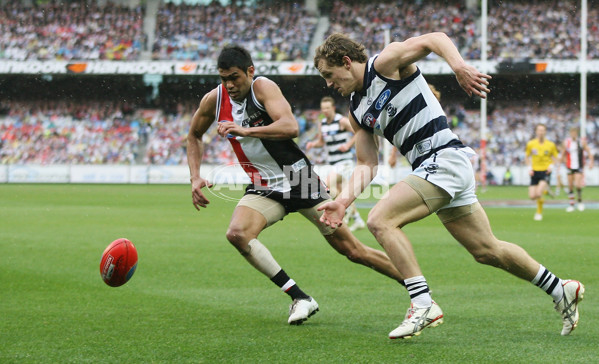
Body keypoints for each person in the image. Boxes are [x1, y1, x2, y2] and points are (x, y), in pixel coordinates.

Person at [313, 32, 584, 339]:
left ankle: (422, 303)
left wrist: (459, 66)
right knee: (486, 250)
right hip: (437, 168)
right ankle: (561, 288)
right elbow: (367, 164)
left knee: (380, 220)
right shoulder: (356, 109)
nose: (328, 84)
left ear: (346, 62)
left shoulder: (386, 63)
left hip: (443, 158)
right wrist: (343, 201)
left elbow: (435, 39)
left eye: (329, 75)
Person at [187, 44, 405, 326]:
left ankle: (415, 285)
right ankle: (300, 298)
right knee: (237, 233)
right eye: (223, 78)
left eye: (235, 77)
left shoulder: (263, 88)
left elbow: (290, 127)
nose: (229, 84)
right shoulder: (213, 101)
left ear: (250, 72)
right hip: (263, 185)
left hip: (298, 177)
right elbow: (193, 136)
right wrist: (194, 176)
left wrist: (246, 130)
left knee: (352, 250)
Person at [305, 96, 366, 231]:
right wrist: (312, 144)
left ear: (332, 108)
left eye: (327, 108)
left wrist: (348, 145)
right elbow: (321, 142)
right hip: (332, 163)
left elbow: (358, 132)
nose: (325, 111)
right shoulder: (323, 124)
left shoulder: (342, 121)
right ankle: (357, 219)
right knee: (342, 193)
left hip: (344, 161)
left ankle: (344, 212)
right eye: (323, 109)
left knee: (327, 184)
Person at [525, 123, 559, 221]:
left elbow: (555, 157)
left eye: (542, 130)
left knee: (539, 194)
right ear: (536, 132)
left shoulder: (550, 144)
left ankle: (539, 213)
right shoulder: (531, 144)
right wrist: (529, 168)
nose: (541, 132)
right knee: (532, 196)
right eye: (539, 130)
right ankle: (546, 190)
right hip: (534, 171)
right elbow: (527, 156)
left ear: (545, 132)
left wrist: (551, 166)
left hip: (545, 171)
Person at [561, 126, 594, 212]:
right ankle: (571, 204)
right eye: (572, 133)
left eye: (575, 133)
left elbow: (589, 152)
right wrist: (563, 161)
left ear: (577, 133)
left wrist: (591, 162)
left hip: (579, 166)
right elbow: (563, 153)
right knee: (570, 185)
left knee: (578, 185)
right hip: (569, 166)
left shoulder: (581, 142)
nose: (573, 134)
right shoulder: (567, 142)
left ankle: (579, 201)